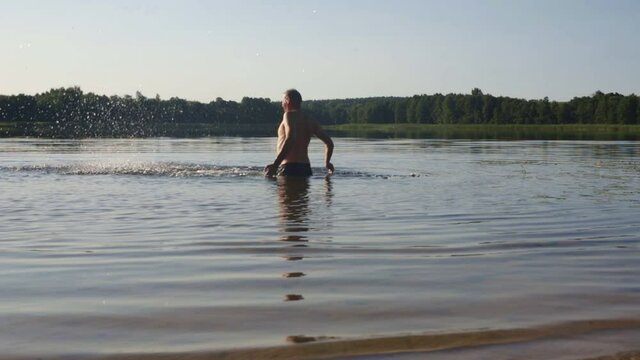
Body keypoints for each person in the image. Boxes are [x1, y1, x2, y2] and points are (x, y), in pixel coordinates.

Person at [264, 89, 334, 177]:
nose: (281, 104)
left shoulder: (288, 115)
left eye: (282, 101)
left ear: (287, 100)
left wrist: (275, 165)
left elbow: (291, 139)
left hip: (289, 168)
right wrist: (327, 163)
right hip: (306, 168)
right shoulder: (310, 120)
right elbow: (329, 143)